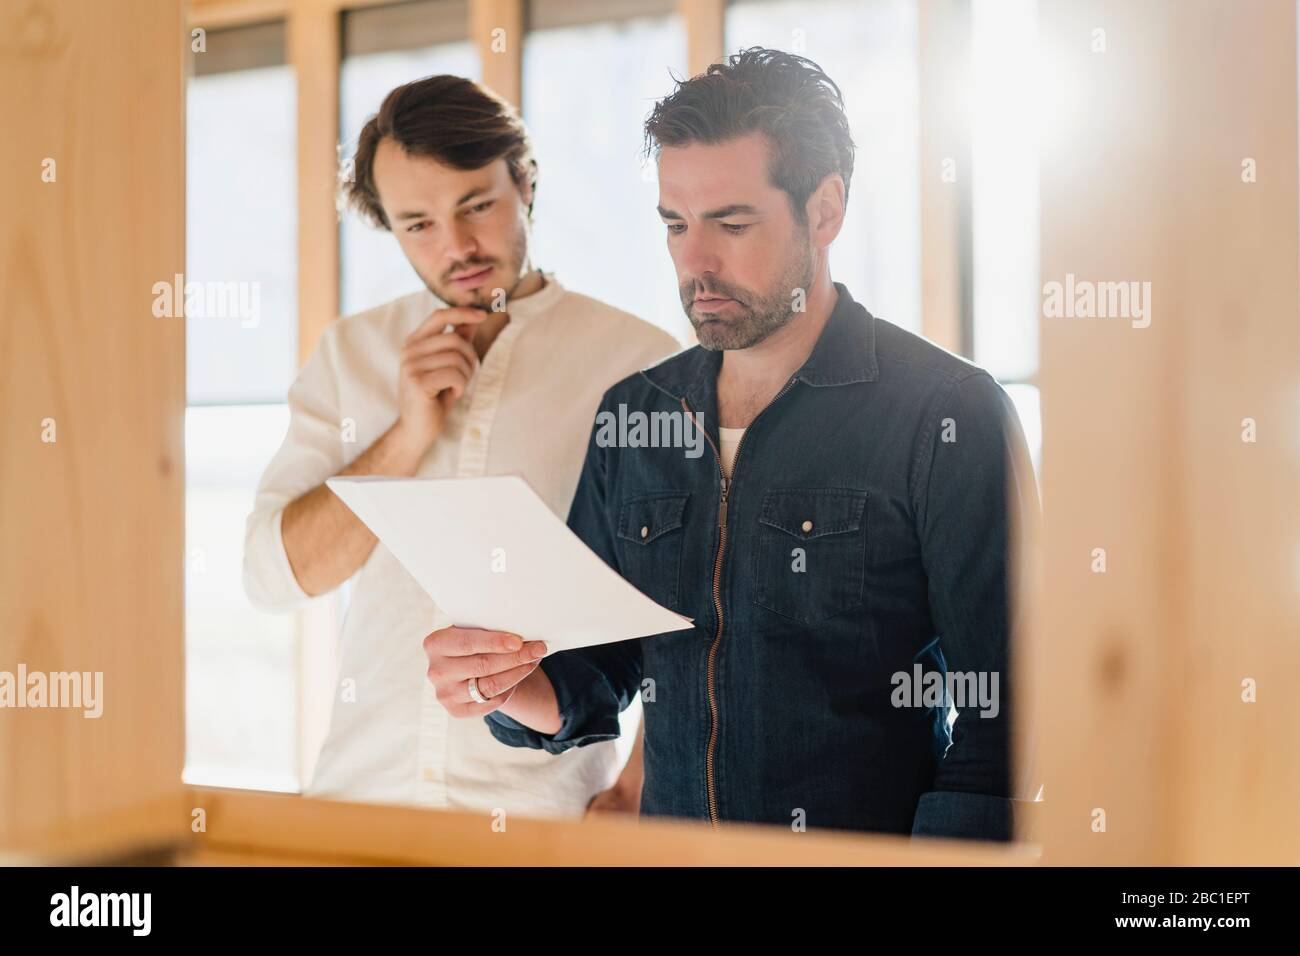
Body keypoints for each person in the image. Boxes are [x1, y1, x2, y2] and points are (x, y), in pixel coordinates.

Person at [421, 48, 1038, 840]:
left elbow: (1011, 722)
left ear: (825, 210)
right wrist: (500, 683)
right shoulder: (635, 413)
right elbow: (597, 676)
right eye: (675, 224)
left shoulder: (948, 413)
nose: (695, 261)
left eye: (732, 223)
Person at [243, 74, 678, 817]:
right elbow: (273, 577)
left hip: (549, 814)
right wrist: (407, 434)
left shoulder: (643, 365)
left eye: (477, 205)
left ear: (526, 183)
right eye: (418, 224)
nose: (458, 247)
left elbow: (691, 601)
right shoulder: (352, 354)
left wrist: (639, 784)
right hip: (358, 803)